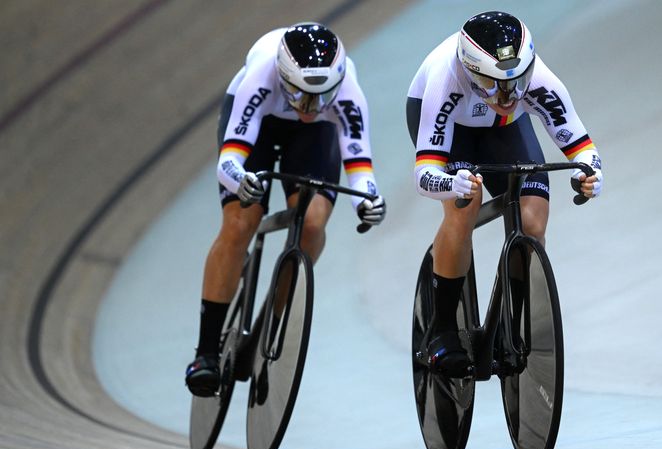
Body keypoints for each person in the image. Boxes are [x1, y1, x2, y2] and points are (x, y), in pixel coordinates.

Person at [186, 23, 386, 396]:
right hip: (259, 126)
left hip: (313, 139)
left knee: (312, 224)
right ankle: (206, 352)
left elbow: (360, 167)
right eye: (301, 96)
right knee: (240, 222)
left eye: (320, 97)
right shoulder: (260, 77)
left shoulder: (347, 92)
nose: (310, 107)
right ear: (283, 78)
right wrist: (240, 180)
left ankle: (270, 324)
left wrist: (368, 202)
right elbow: (230, 161)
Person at [406, 11, 602, 377]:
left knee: (531, 222)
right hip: (452, 129)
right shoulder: (445, 79)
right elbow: (424, 174)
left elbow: (581, 146)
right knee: (465, 205)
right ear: (470, 70)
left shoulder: (536, 80)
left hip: (503, 131)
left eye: (515, 84)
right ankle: (443, 328)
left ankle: (510, 322)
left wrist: (590, 175)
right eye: (494, 84)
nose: (507, 96)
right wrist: (451, 184)